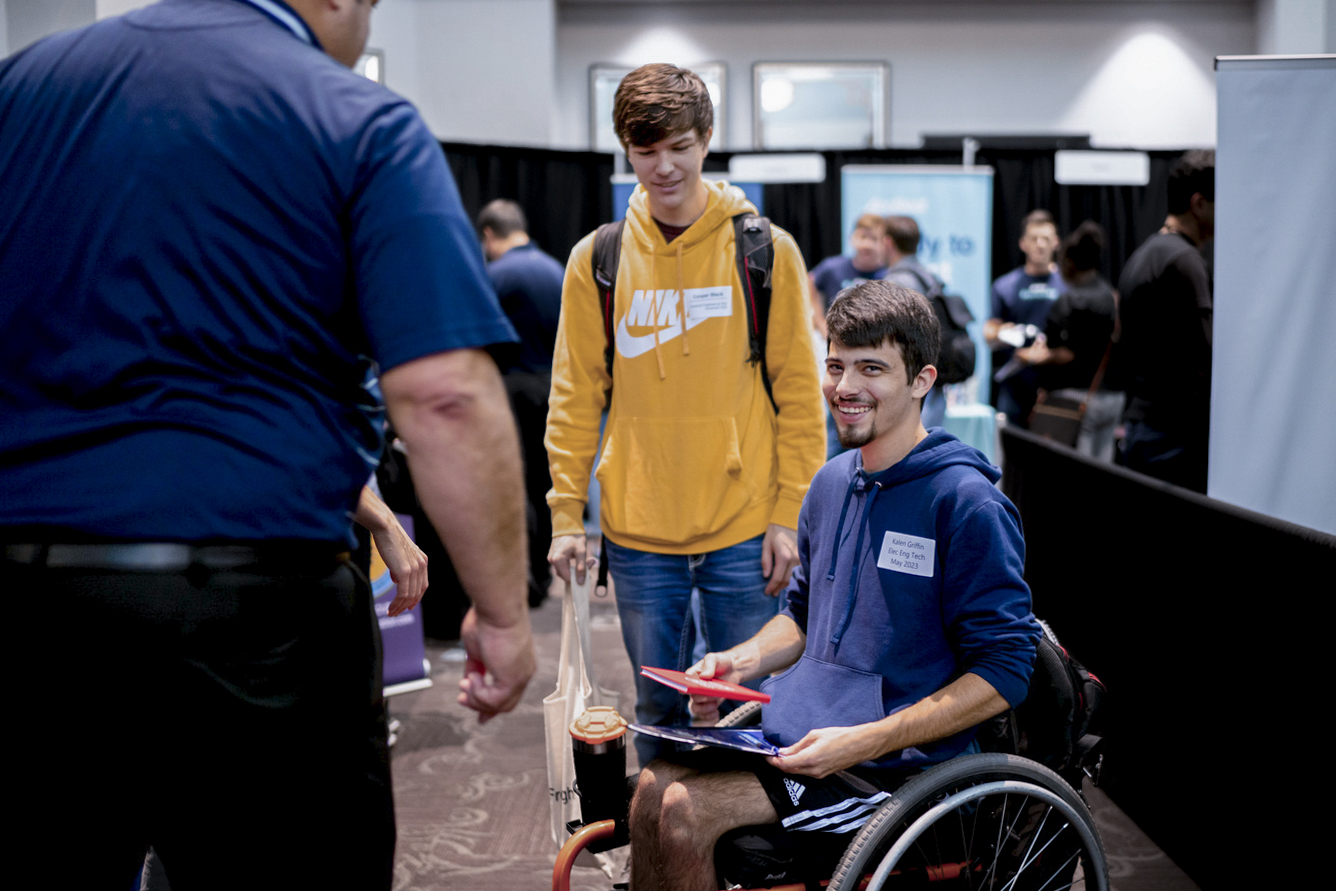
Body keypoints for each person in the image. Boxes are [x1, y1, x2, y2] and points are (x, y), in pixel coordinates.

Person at [0, 1, 534, 888]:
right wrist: (506, 616)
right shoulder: (355, 117)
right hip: (261, 625)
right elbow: (443, 395)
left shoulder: (21, 89)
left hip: (30, 608)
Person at [626, 281, 1040, 891]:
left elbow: (1006, 671)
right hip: (806, 739)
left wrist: (865, 739)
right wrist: (736, 663)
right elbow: (800, 614)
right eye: (837, 366)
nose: (846, 388)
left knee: (688, 812)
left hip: (899, 771)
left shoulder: (968, 504)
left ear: (922, 380)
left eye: (872, 368)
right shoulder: (829, 482)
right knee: (649, 791)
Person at [545, 63, 825, 765]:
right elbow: (575, 396)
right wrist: (564, 514)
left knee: (742, 702)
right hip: (638, 531)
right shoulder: (598, 259)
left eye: (677, 145)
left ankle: (743, 862)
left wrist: (790, 514)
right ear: (625, 150)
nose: (663, 166)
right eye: (645, 151)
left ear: (706, 138)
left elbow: (799, 394)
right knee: (657, 709)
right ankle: (666, 855)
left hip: (743, 526)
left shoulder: (763, 250)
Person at [477, 198, 566, 606]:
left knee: (515, 490)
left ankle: (522, 581)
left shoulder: (495, 275)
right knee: (546, 487)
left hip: (511, 393)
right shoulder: (558, 270)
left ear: (489, 235)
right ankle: (544, 579)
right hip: (556, 392)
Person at [1115, 150, 1215, 493]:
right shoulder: (1185, 261)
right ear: (1199, 203)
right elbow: (1205, 357)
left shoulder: (1144, 255)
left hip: (1142, 427)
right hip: (1175, 438)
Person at [1019, 221, 1124, 461]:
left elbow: (1065, 353)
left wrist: (1032, 356)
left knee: (1077, 474)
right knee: (1103, 471)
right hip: (1113, 396)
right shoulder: (1113, 297)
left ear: (1068, 263)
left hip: (1075, 398)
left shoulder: (1068, 303)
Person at [986, 210, 1067, 426]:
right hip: (1015, 386)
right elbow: (989, 333)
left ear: (1056, 242)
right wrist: (1006, 333)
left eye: (1046, 239)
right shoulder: (1005, 286)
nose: (1040, 245)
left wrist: (1047, 355)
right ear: (1023, 243)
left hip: (1057, 389)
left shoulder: (1068, 286)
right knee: (1010, 455)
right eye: (1034, 239)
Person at [880, 215, 950, 428]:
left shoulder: (895, 284)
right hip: (931, 380)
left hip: (909, 385)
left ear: (888, 242)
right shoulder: (930, 278)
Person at [807, 212, 887, 338]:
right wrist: (820, 322)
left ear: (884, 243)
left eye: (874, 239)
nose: (867, 245)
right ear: (852, 238)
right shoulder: (832, 267)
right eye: (863, 237)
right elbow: (810, 280)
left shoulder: (890, 276)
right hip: (834, 342)